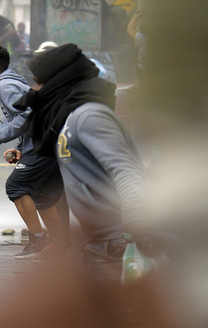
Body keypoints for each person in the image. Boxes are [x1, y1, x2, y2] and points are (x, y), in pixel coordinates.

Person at [16, 43, 151, 280]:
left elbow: (125, 169)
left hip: (115, 241)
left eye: (39, 81)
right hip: (95, 241)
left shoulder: (89, 116)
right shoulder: (69, 117)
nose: (34, 89)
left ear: (58, 81)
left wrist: (134, 223)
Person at [0, 45, 65, 259]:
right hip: (45, 143)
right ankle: (60, 245)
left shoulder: (5, 85)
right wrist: (22, 147)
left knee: (16, 186)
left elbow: (29, 114)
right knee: (42, 196)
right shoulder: (10, 83)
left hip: (44, 144)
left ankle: (38, 240)